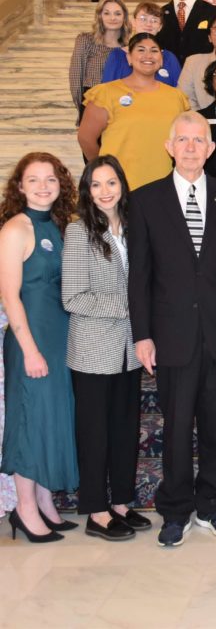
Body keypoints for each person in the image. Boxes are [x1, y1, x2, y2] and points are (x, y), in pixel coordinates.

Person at [128, 111, 216, 547]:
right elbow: (138, 275)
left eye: (200, 140)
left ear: (211, 147)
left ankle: (212, 506)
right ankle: (175, 510)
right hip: (170, 335)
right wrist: (142, 334)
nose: (192, 147)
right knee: (176, 427)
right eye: (184, 139)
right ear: (169, 146)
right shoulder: (144, 201)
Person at [61, 155, 150, 541]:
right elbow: (73, 297)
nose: (104, 191)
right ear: (86, 190)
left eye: (111, 182)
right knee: (95, 433)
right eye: (95, 185)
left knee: (124, 430)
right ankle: (97, 510)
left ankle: (121, 504)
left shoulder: (133, 228)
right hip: (93, 349)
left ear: (122, 185)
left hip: (129, 350)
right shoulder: (79, 232)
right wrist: (129, 306)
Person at [0, 153, 79, 542]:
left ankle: (45, 502)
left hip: (59, 335)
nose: (43, 186)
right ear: (20, 186)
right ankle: (24, 509)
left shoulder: (62, 226)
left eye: (50, 179)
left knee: (50, 418)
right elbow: (10, 296)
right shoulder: (16, 228)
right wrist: (29, 349)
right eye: (33, 180)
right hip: (29, 338)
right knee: (29, 421)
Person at [78, 33, 190, 189]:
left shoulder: (176, 97)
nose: (148, 55)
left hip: (163, 187)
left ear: (161, 58)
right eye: (141, 50)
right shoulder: (106, 93)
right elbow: (86, 138)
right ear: (129, 58)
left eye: (154, 50)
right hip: (119, 189)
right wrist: (103, 171)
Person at [69, 0, 129, 123]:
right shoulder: (86, 40)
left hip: (121, 106)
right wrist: (82, 107)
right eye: (107, 13)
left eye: (117, 13)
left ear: (124, 17)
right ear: (100, 16)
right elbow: (75, 76)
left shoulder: (129, 47)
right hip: (93, 102)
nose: (112, 18)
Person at [102, 2, 182, 87]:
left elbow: (179, 92)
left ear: (160, 27)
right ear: (133, 22)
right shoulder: (117, 55)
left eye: (154, 20)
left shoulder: (169, 57)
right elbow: (106, 90)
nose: (148, 24)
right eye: (143, 18)